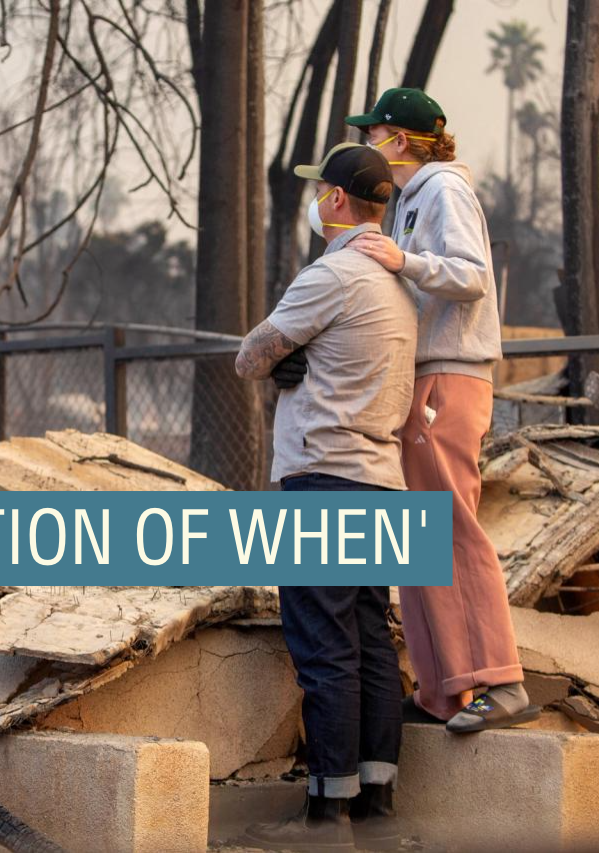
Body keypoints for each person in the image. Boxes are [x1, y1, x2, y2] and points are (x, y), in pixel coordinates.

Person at [234, 142, 416, 852]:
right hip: (382, 479)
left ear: (337, 200)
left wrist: (282, 360)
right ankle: (375, 803)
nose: (317, 201)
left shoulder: (332, 273)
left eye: (321, 192)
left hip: (322, 477)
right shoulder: (398, 285)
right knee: (370, 639)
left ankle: (322, 815)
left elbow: (249, 356)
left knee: (322, 645)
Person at [343, 87, 538, 733]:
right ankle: (442, 689)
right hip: (423, 376)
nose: (368, 144)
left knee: (450, 528)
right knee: (418, 541)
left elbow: (471, 273)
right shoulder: (413, 199)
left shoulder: (443, 190)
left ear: (398, 140)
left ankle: (498, 680)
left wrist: (404, 260)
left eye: (373, 134)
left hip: (449, 376)